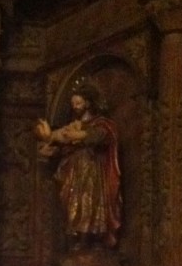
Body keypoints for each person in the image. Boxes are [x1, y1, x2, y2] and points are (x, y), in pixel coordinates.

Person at [35, 82, 121, 250]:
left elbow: (103, 136)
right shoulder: (72, 125)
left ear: (87, 103)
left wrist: (80, 135)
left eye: (78, 103)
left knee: (91, 203)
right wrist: (50, 146)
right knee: (72, 200)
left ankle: (93, 238)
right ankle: (77, 237)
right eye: (73, 103)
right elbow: (61, 143)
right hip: (74, 171)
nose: (75, 106)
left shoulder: (100, 123)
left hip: (92, 170)